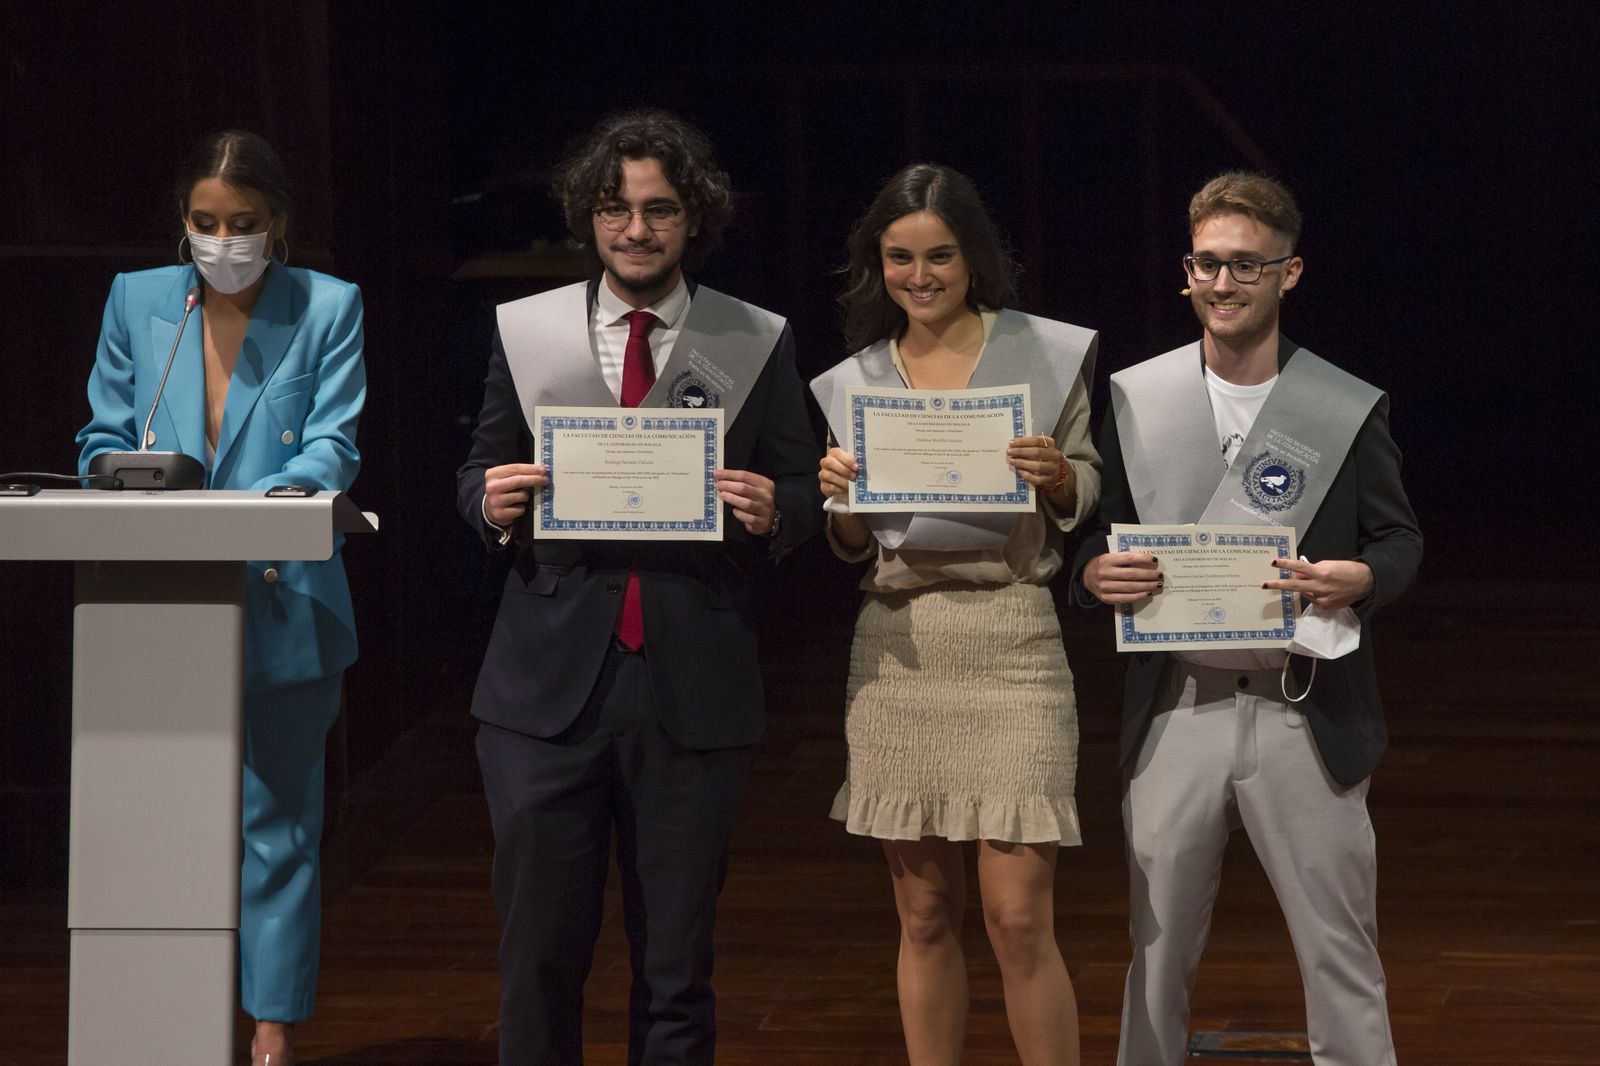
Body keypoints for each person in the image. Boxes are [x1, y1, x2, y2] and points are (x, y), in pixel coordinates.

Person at [456, 110, 821, 1065]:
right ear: (588, 217)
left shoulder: (752, 337)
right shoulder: (531, 330)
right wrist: (491, 504)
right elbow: (478, 470)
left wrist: (775, 509)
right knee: (537, 960)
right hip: (543, 694)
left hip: (691, 684)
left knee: (676, 967)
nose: (637, 229)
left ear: (693, 218)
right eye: (616, 209)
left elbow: (803, 488)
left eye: (659, 209)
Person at [1072, 172, 1423, 1065]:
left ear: (1288, 274)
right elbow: (1089, 536)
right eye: (1206, 266)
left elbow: (1399, 538)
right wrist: (1092, 576)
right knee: (1154, 956)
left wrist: (1362, 576)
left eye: (1244, 267)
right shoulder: (1135, 397)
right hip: (1177, 705)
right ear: (1186, 272)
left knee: (1339, 948)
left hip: (1303, 704)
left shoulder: (1341, 406)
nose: (1221, 285)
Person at [76, 129, 366, 1066]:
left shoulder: (327, 305)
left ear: (276, 224)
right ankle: (162, 1017)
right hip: (157, 606)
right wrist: (117, 471)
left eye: (242, 224)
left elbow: (334, 445)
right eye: (205, 223)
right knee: (157, 824)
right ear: (183, 223)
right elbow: (100, 434)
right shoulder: (137, 300)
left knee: (278, 831)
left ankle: (271, 1029)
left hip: (285, 601)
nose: (222, 240)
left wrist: (261, 502)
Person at [811, 163, 1100, 1066]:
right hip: (900, 650)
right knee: (925, 914)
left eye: (940, 255)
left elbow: (1087, 484)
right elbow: (855, 546)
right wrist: (840, 499)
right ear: (877, 265)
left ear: (974, 258)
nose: (921, 275)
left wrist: (1059, 475)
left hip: (1014, 638)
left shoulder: (1044, 356)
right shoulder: (854, 378)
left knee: (1018, 920)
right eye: (900, 258)